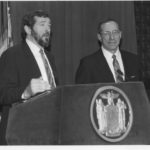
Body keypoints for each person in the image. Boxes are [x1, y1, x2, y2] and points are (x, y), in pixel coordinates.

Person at [0, 10, 58, 144]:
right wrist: (25, 92)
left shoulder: (49, 57)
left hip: (49, 130)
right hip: (22, 133)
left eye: (49, 25)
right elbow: (2, 93)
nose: (48, 29)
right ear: (28, 29)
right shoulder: (12, 55)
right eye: (42, 24)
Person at [75, 19, 139, 84]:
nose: (112, 37)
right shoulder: (88, 64)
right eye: (106, 33)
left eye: (115, 32)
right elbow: (81, 93)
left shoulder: (134, 60)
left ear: (120, 35)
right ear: (99, 37)